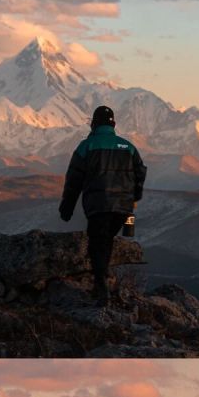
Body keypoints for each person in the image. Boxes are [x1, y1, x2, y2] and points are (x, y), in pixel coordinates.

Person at [58, 105, 147, 307]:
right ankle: (105, 279)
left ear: (93, 124)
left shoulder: (85, 147)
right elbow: (140, 172)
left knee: (97, 243)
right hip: (123, 208)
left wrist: (67, 208)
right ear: (113, 125)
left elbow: (73, 181)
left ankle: (101, 288)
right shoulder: (128, 147)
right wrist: (135, 196)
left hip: (98, 206)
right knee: (106, 239)